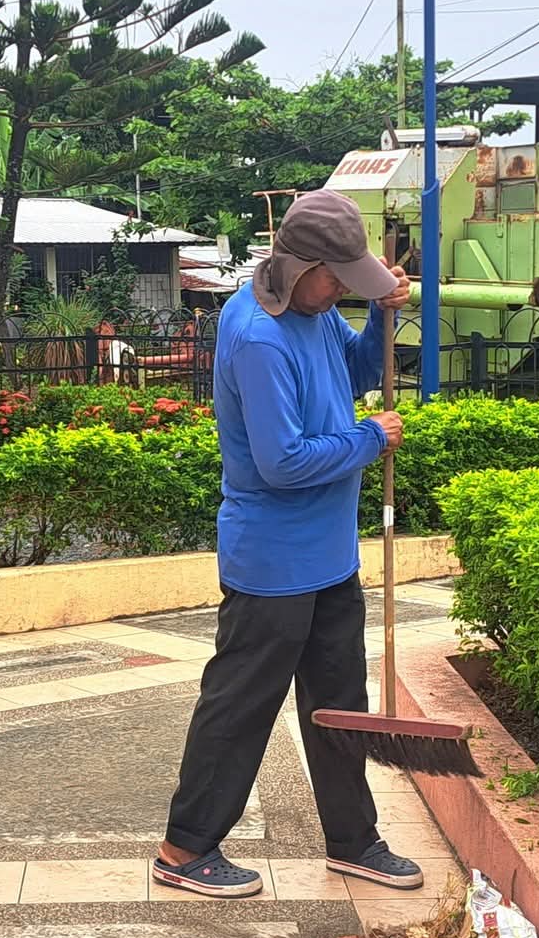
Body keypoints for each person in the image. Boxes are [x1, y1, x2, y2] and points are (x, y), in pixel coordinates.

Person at [155, 189, 424, 899]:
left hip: (331, 554)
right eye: (336, 278)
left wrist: (382, 316)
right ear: (300, 266)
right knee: (241, 706)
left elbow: (356, 372)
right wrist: (369, 439)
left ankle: (353, 841)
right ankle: (184, 850)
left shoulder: (317, 309)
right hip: (273, 560)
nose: (341, 290)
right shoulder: (258, 337)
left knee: (340, 702)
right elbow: (283, 463)